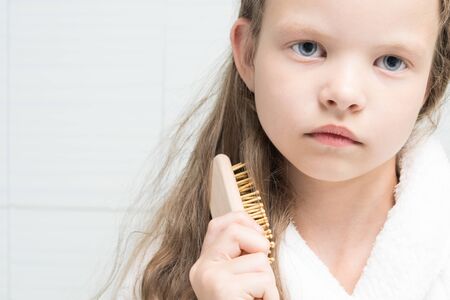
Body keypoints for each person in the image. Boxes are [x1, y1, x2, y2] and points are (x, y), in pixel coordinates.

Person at [93, 0, 450, 299]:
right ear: (248, 54)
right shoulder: (173, 272)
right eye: (308, 47)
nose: (343, 93)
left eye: (391, 61)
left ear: (432, 82)